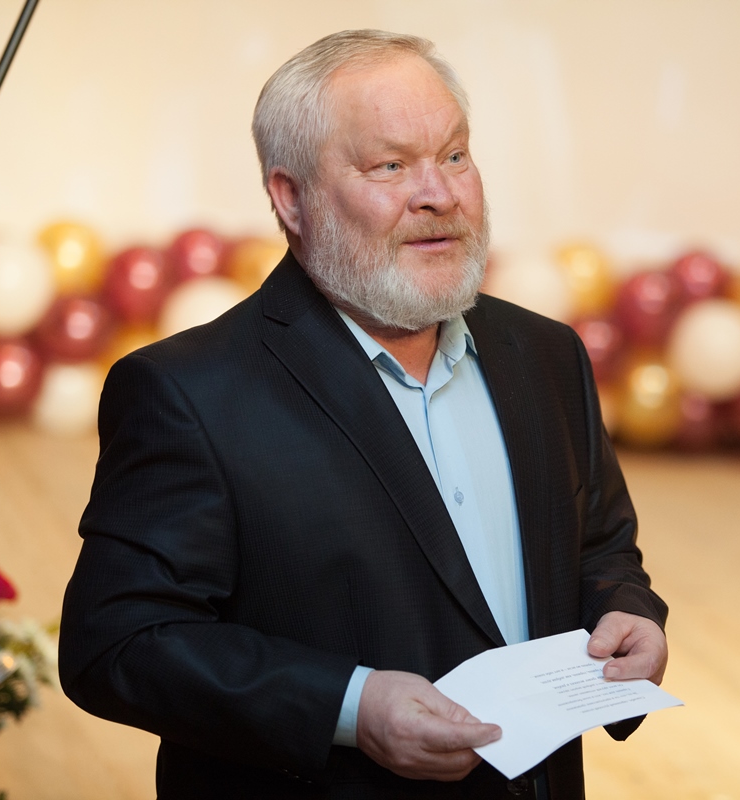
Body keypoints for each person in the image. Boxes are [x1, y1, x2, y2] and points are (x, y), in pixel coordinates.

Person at [60, 29, 668, 800]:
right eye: (390, 166)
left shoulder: (546, 356)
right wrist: (349, 706)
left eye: (455, 155)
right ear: (291, 198)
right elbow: (116, 645)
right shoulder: (189, 394)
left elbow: (600, 546)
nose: (439, 194)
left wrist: (626, 610)